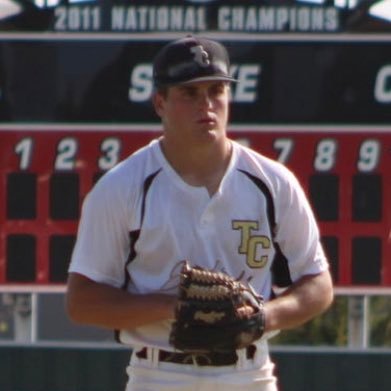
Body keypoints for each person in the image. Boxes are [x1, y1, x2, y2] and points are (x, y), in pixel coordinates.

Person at [66, 36, 334, 391]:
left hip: (248, 372)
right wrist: (172, 306)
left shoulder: (272, 182)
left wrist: (262, 317)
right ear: (160, 102)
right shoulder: (122, 187)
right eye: (189, 93)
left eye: (216, 90)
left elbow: (318, 284)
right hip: (160, 372)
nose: (206, 104)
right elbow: (82, 302)